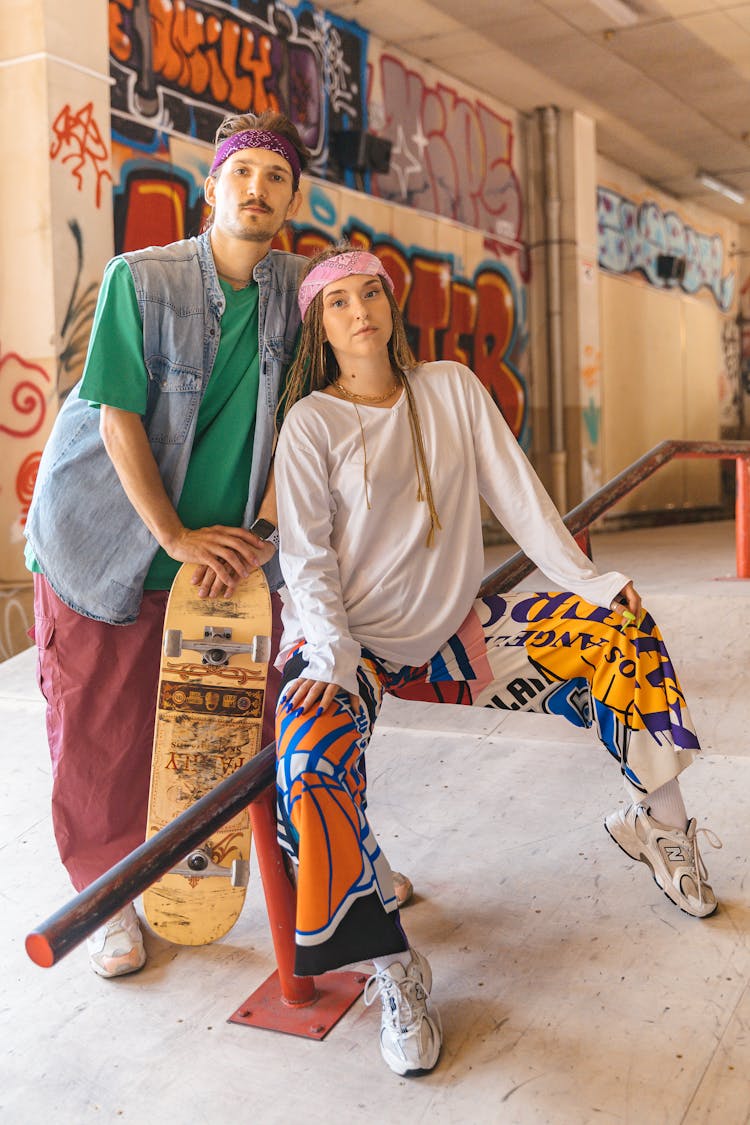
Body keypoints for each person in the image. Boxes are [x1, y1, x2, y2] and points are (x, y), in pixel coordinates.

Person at [271, 244, 722, 1077]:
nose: (360, 310)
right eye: (338, 303)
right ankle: (391, 965)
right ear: (319, 326)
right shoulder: (312, 423)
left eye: (372, 294)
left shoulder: (448, 388)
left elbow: (519, 491)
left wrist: (589, 581)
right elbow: (306, 560)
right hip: (350, 641)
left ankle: (658, 829)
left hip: (453, 631)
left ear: (390, 305)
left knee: (618, 629)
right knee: (305, 758)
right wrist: (331, 658)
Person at [24, 110, 310, 978]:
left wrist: (260, 532)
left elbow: (303, 419)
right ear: (213, 186)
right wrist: (176, 535)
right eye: (243, 173)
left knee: (226, 728)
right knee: (101, 733)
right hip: (106, 543)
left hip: (221, 560)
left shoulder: (297, 295)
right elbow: (116, 418)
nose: (257, 189)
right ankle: (108, 901)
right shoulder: (140, 282)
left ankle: (326, 870)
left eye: (276, 177)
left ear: (292, 199)